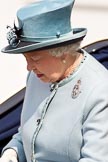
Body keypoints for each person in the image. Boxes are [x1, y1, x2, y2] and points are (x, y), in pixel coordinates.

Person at [1, 0, 108, 162]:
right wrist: (13, 151)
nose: (29, 67)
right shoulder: (37, 77)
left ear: (62, 53)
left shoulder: (100, 91)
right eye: (26, 59)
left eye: (35, 59)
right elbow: (27, 131)